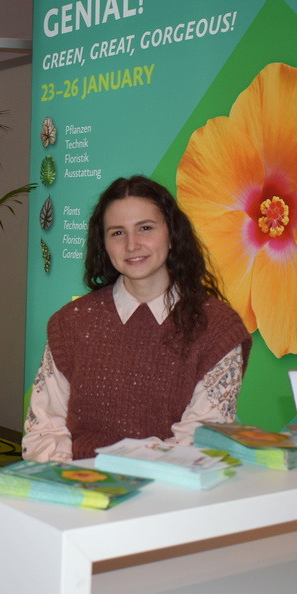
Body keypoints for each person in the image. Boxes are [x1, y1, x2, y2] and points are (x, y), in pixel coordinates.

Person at [23, 175, 252, 462]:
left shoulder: (217, 328)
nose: (132, 244)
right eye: (117, 232)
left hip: (168, 485)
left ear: (172, 234)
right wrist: (76, 480)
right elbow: (43, 430)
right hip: (77, 480)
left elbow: (201, 440)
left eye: (145, 228)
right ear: (103, 243)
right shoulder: (71, 323)